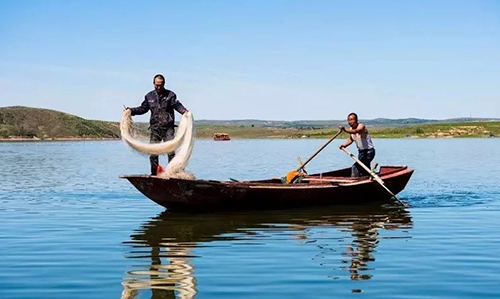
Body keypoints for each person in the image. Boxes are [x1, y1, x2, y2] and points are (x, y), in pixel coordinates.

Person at [126, 74, 189, 175]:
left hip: (168, 128)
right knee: (153, 153)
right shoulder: (149, 96)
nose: (158, 87)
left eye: (160, 85)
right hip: (155, 128)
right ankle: (154, 174)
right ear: (153, 84)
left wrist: (184, 111)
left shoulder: (170, 95)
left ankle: (173, 174)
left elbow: (176, 105)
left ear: (164, 84)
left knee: (171, 152)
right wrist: (131, 111)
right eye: (156, 85)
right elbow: (143, 108)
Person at [339, 112, 375, 177]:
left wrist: (345, 130)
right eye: (349, 120)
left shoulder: (361, 126)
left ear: (356, 120)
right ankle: (368, 179)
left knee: (355, 167)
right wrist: (345, 145)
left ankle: (354, 181)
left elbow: (357, 131)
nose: (350, 122)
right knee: (364, 169)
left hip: (369, 152)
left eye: (352, 120)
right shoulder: (350, 129)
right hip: (361, 152)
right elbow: (351, 139)